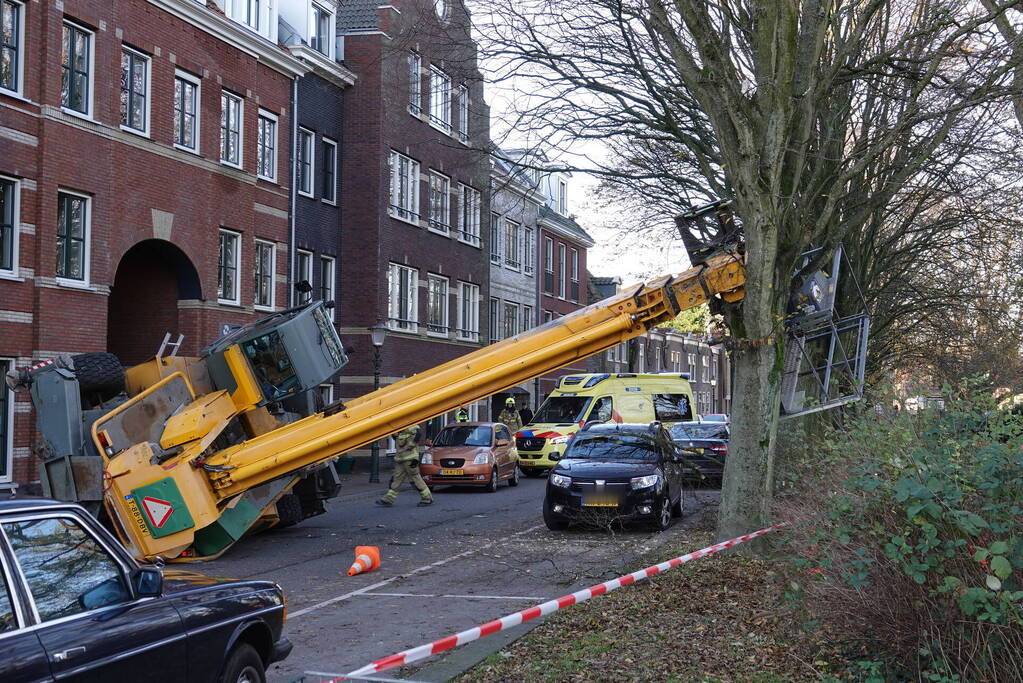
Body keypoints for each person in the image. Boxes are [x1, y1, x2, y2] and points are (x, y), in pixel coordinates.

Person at [376, 424, 433, 507]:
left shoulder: (412, 427)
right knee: (397, 478)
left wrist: (407, 447)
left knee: (415, 478)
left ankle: (427, 498)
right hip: (400, 459)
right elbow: (398, 440)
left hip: (410, 459)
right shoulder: (399, 428)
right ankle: (388, 499)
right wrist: (394, 435)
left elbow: (417, 436)